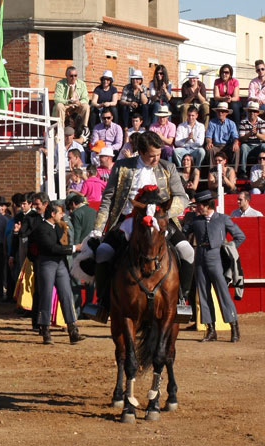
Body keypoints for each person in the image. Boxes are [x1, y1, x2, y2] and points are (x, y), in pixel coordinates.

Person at [88, 131, 194, 323]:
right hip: (129, 219)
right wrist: (98, 227)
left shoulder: (168, 167)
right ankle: (103, 303)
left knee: (188, 252)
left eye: (158, 154)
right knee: (103, 252)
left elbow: (182, 197)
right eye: (152, 155)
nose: (156, 159)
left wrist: (163, 214)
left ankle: (181, 300)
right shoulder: (122, 168)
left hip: (162, 221)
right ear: (141, 152)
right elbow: (108, 199)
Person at [183, 190, 245, 342]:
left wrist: (228, 249)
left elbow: (240, 236)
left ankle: (234, 329)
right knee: (203, 293)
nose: (196, 208)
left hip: (216, 256)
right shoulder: (195, 221)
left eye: (198, 206)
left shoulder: (222, 219)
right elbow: (182, 232)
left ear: (205, 205)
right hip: (200, 257)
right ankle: (211, 330)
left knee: (222, 293)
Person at [30, 202, 84, 344]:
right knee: (46, 296)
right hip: (47, 263)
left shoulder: (59, 227)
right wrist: (73, 248)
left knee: (66, 295)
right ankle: (45, 331)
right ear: (52, 214)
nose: (63, 215)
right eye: (60, 213)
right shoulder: (41, 229)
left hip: (59, 263)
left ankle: (73, 330)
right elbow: (51, 247)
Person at [205, 101, 240, 171]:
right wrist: (209, 142)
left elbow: (235, 137)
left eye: (223, 111)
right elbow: (208, 136)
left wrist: (235, 143)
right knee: (209, 149)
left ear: (226, 113)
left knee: (237, 149)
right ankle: (212, 171)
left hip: (227, 146)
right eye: (218, 111)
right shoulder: (212, 122)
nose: (220, 113)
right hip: (215, 146)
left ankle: (234, 172)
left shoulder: (231, 123)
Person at [238, 101, 265, 177]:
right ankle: (242, 171)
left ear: (258, 113)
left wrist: (256, 134)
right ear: (248, 112)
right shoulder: (243, 122)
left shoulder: (262, 122)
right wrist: (250, 133)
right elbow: (241, 139)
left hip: (259, 145)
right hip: (247, 145)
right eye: (250, 111)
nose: (252, 113)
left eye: (254, 111)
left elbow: (264, 137)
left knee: (264, 146)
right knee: (243, 147)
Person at [213, 64, 241, 128]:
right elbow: (216, 96)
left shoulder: (235, 81)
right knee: (216, 105)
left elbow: (236, 97)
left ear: (230, 74)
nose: (224, 74)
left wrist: (229, 99)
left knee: (234, 106)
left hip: (232, 100)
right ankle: (215, 126)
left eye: (227, 72)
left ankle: (237, 127)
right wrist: (223, 98)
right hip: (221, 100)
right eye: (222, 72)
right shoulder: (217, 81)